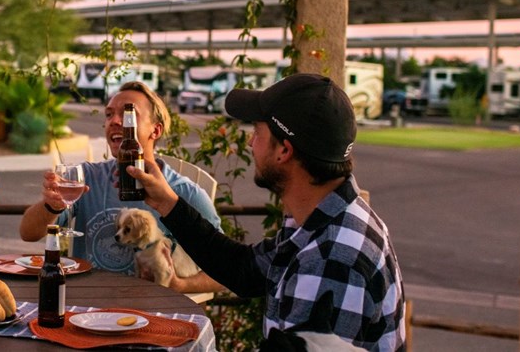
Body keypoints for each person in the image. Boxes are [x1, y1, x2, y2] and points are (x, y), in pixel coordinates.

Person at [128, 73, 406, 351]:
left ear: (284, 150)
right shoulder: (321, 220)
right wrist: (168, 203)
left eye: (257, 132)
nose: (250, 143)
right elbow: (245, 271)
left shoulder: (330, 259)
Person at [19, 80, 224, 294]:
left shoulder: (185, 193)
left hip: (153, 313)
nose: (115, 121)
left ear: (156, 130)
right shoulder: (86, 179)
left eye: (128, 114)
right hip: (90, 308)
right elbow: (28, 233)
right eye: (108, 114)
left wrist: (178, 285)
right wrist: (51, 207)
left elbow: (225, 272)